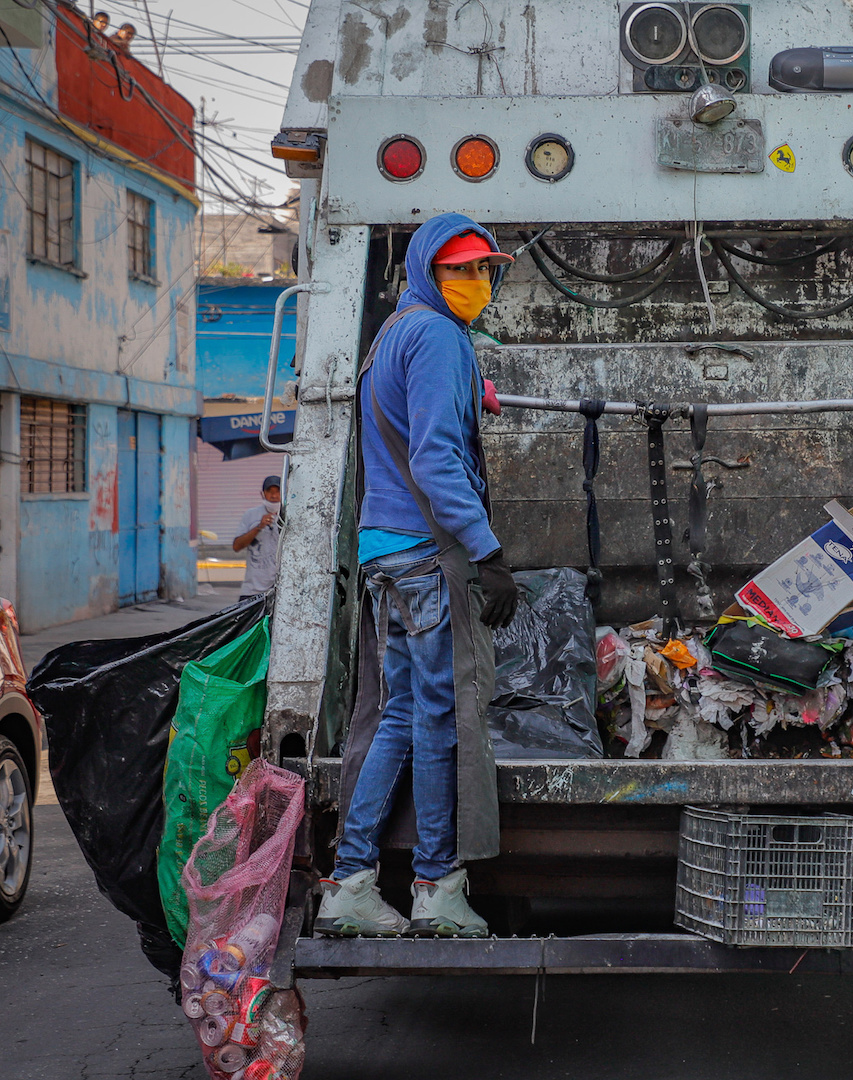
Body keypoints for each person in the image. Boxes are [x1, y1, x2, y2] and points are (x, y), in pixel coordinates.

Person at [315, 214, 519, 941]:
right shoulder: (437, 337)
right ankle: (436, 885)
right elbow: (434, 460)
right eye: (459, 270)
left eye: (484, 270)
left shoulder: (395, 334)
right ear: (429, 271)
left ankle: (350, 882)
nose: (475, 283)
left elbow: (407, 419)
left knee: (399, 713)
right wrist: (488, 552)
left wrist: (475, 394)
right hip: (429, 556)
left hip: (384, 557)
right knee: (441, 717)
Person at [233, 475, 282, 600]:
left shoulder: (290, 514)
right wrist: (258, 527)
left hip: (280, 589)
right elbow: (237, 546)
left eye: (277, 491)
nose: (274, 496)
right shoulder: (251, 515)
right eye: (270, 492)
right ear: (262, 494)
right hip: (252, 589)